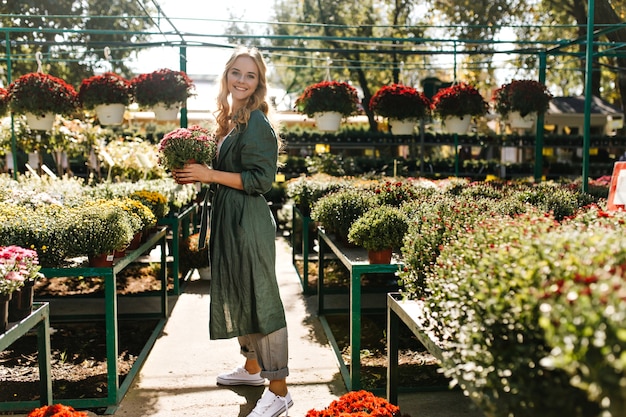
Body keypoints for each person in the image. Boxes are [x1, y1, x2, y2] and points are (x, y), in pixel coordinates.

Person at [172, 47, 292, 417]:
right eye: (236, 73)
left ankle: (280, 389)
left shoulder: (256, 121)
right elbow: (227, 171)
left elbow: (261, 180)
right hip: (230, 218)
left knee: (262, 299)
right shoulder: (231, 119)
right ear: (226, 76)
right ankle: (253, 370)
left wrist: (208, 175)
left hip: (248, 221)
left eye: (250, 75)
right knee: (241, 292)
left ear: (259, 83)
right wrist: (195, 168)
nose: (241, 80)